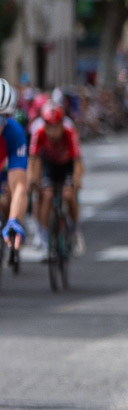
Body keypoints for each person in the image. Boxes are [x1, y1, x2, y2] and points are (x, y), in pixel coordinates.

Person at [28, 101, 83, 255]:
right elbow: (33, 159)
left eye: (56, 126)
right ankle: (44, 238)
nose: (52, 132)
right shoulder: (38, 132)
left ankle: (75, 231)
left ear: (61, 123)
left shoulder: (69, 130)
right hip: (49, 165)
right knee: (46, 195)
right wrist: (33, 180)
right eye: (49, 127)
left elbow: (77, 161)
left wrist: (76, 181)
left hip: (66, 165)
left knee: (69, 195)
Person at [0, 78, 29, 268]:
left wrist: (14, 219)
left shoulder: (14, 131)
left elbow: (19, 185)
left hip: (4, 169)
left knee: (6, 200)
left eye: (2, 118)